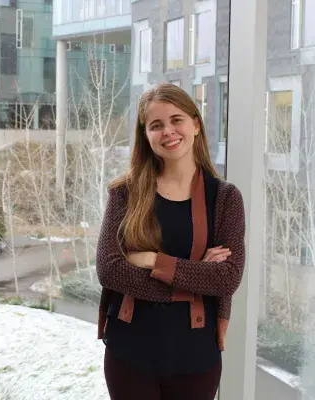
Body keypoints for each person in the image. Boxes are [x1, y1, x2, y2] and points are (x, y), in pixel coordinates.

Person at [96, 83, 246, 400]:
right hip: (129, 353)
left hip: (196, 357)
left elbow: (227, 277)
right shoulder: (124, 193)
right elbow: (110, 270)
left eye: (176, 119)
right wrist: (195, 276)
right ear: (146, 135)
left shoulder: (225, 199)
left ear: (195, 123)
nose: (168, 131)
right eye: (156, 125)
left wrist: (154, 261)